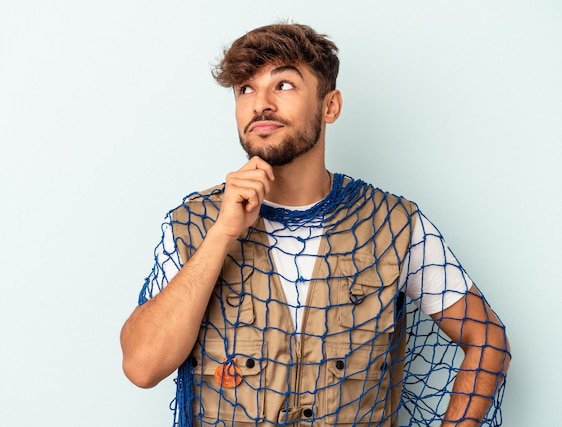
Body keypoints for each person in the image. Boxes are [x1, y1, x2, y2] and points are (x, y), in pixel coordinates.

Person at [120, 23, 510, 427]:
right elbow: (141, 367)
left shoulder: (393, 225)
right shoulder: (193, 224)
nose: (261, 104)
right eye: (246, 89)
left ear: (330, 106)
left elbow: (487, 339)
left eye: (284, 85)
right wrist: (221, 234)